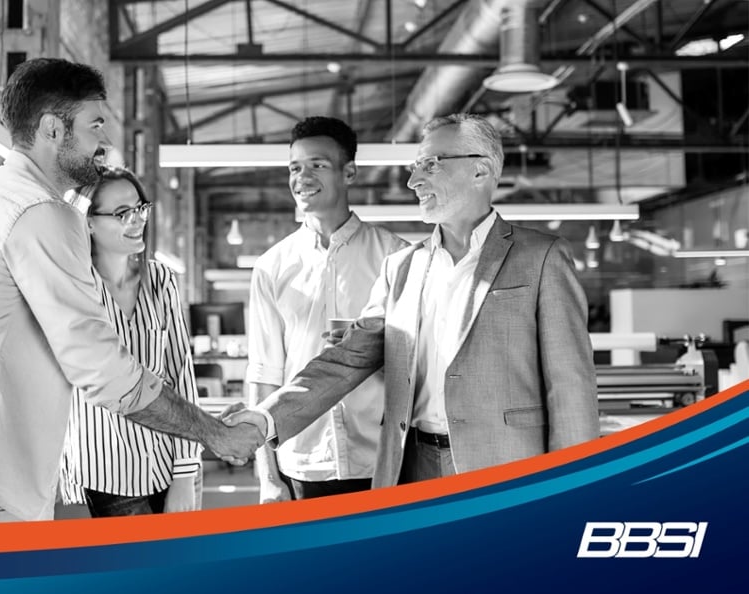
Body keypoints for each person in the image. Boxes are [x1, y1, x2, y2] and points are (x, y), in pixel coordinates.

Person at [0, 58, 261, 523]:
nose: (103, 143)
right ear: (52, 129)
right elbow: (99, 366)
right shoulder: (41, 213)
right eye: (94, 126)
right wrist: (216, 434)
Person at [228, 113, 599, 487]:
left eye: (430, 165)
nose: (413, 180)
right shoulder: (401, 267)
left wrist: (569, 490)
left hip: (505, 467)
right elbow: (346, 361)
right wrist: (265, 418)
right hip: (412, 468)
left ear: (481, 171)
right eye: (415, 166)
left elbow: (571, 390)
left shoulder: (540, 258)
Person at [247, 116, 407, 502]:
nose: (302, 177)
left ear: (349, 172)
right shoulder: (271, 266)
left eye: (317, 165)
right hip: (302, 463)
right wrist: (268, 476)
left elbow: (421, 366)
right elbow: (264, 375)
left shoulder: (397, 257)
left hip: (381, 462)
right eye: (294, 167)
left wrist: (375, 350)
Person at [59, 168, 201, 516]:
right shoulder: (74, 286)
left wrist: (186, 472)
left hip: (167, 465)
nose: (137, 220)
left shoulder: (161, 279)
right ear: (88, 221)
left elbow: (181, 374)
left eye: (140, 208)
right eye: (122, 213)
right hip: (106, 474)